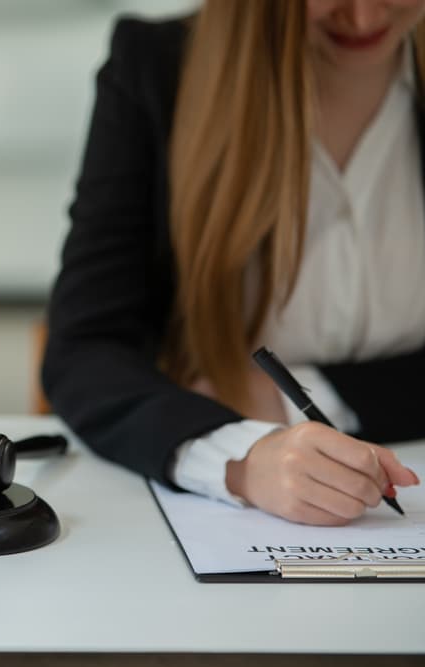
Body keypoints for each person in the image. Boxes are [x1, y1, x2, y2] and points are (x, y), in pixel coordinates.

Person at [42, 0, 423, 526]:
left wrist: (299, 396)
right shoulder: (156, 69)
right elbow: (85, 351)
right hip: (226, 517)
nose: (364, 18)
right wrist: (243, 457)